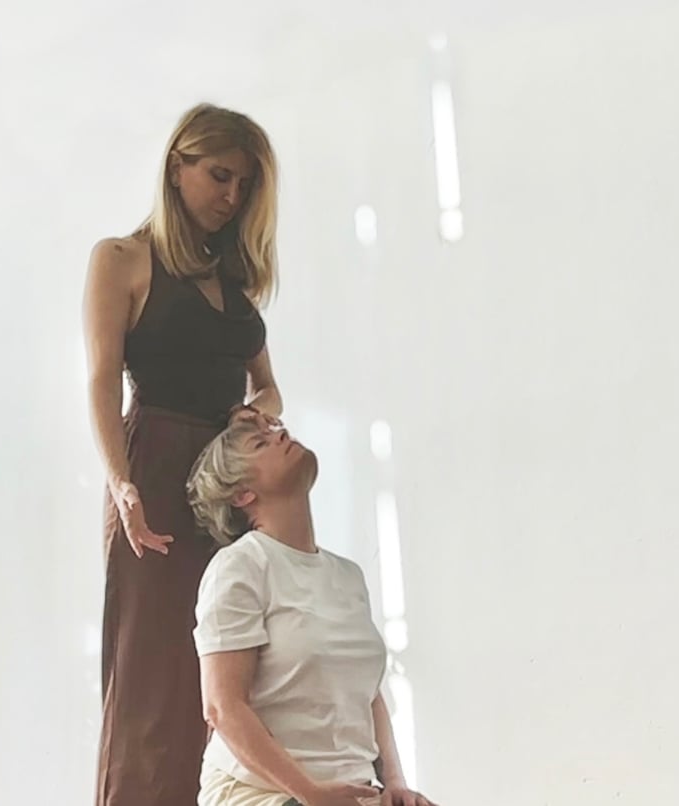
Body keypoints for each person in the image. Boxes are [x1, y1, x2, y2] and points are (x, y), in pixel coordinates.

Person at [82, 103, 283, 806]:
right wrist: (123, 484)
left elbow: (269, 389)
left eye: (244, 185)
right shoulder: (121, 259)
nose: (232, 197)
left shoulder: (235, 278)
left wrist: (253, 419)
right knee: (154, 671)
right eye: (220, 176)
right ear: (178, 167)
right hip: (157, 467)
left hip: (231, 478)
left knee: (237, 662)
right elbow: (102, 381)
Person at [185, 420, 438, 806]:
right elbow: (222, 707)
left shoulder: (347, 575)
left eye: (276, 431)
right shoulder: (240, 566)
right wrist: (309, 793)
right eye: (260, 443)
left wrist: (396, 784)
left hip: (346, 791)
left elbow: (367, 694)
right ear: (242, 495)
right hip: (257, 792)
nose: (281, 435)